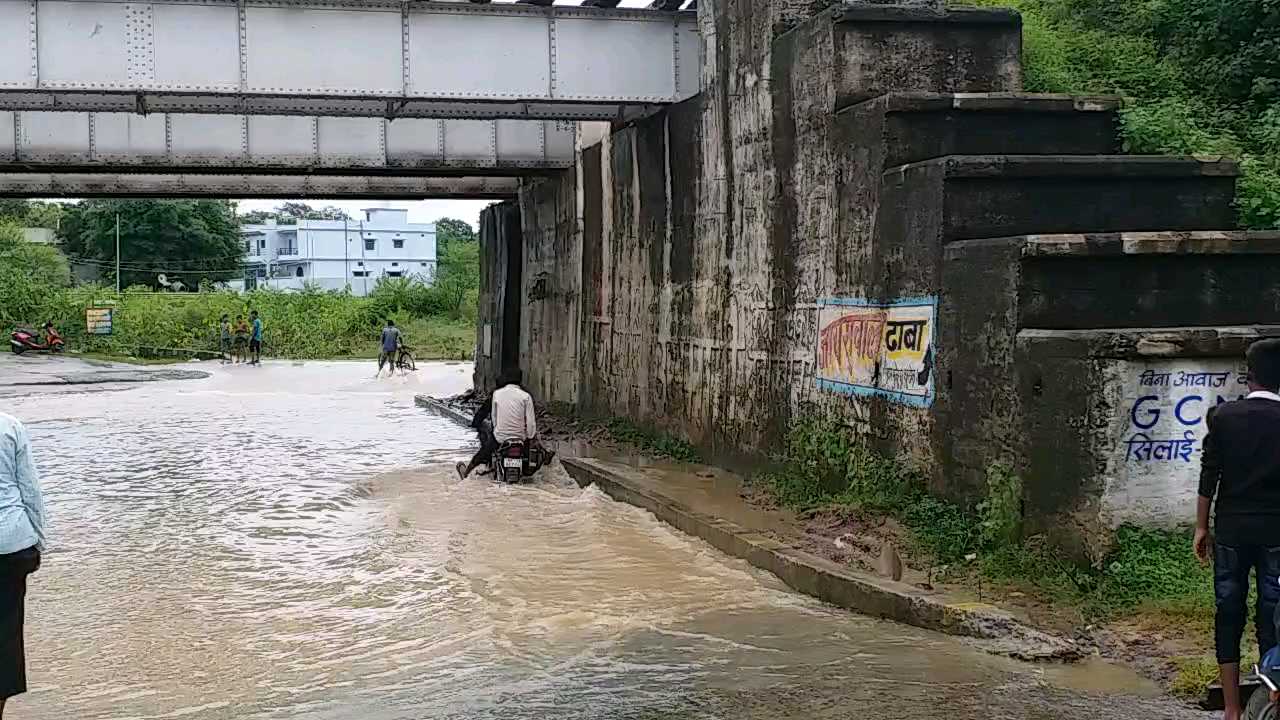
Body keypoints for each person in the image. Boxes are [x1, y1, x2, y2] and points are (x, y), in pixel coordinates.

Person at [1196, 338, 1280, 720]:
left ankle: (1231, 708)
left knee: (1228, 610)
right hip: (1276, 533)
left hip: (1230, 530)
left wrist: (1201, 527)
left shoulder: (1224, 417)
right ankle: (1269, 698)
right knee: (1271, 611)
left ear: (1249, 377)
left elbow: (1208, 476)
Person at [0, 411, 47, 718]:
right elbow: (30, 489)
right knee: (4, 641)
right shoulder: (9, 425)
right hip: (10, 545)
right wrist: (38, 541)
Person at [455, 393, 495, 480]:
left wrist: (475, 424)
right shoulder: (525, 396)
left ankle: (466, 473)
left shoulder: (496, 396)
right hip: (521, 438)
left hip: (499, 436)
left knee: (485, 450)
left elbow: (481, 414)